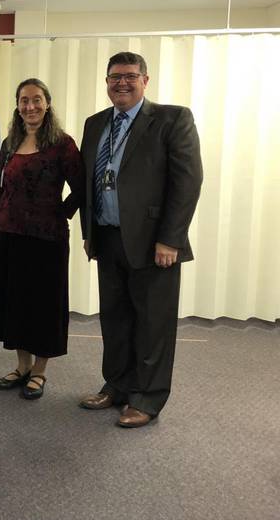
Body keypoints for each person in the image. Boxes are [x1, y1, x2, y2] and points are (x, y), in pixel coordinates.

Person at [78, 51, 202, 428]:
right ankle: (116, 385)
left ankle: (147, 398)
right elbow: (89, 180)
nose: (122, 83)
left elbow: (187, 182)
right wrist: (89, 232)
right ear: (106, 82)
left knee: (153, 323)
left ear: (145, 80)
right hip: (108, 236)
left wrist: (171, 239)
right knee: (115, 319)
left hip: (154, 244)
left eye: (130, 76)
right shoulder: (96, 123)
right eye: (115, 77)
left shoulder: (171, 119)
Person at [0, 78, 83, 400]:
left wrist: (59, 212)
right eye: (24, 100)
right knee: (14, 303)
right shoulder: (10, 143)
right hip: (8, 235)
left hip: (46, 239)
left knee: (42, 305)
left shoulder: (62, 144)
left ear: (47, 103)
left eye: (37, 100)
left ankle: (40, 371)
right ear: (17, 105)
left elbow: (81, 188)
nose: (30, 106)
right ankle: (21, 365)